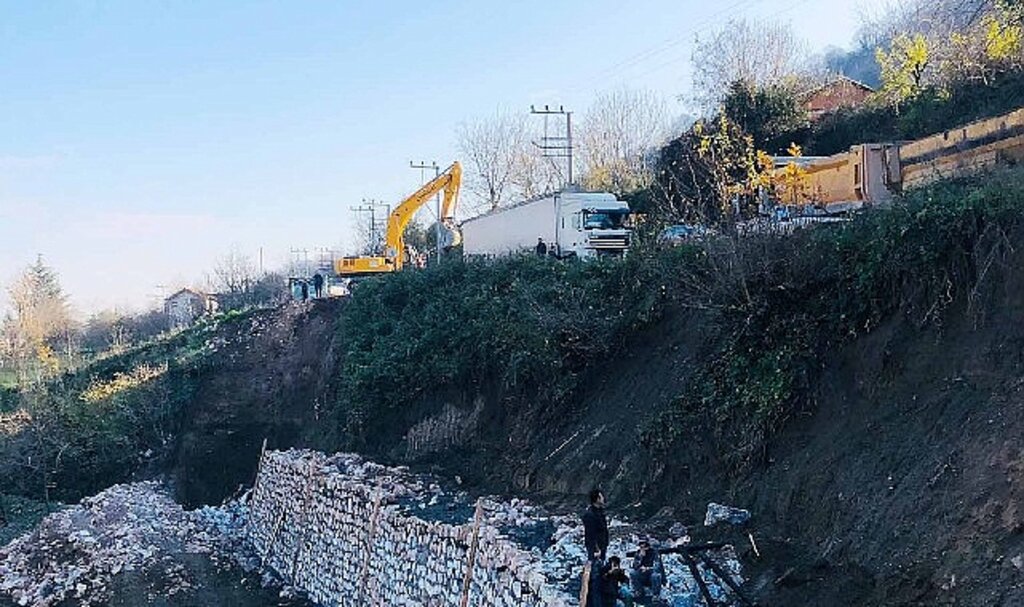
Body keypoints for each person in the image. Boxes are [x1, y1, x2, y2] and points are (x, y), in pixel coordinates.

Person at [582, 488, 610, 607]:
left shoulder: (600, 512)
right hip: (595, 550)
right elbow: (591, 535)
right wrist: (596, 550)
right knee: (595, 578)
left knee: (599, 575)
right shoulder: (590, 515)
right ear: (597, 499)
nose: (603, 499)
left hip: (602, 548)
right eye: (601, 496)